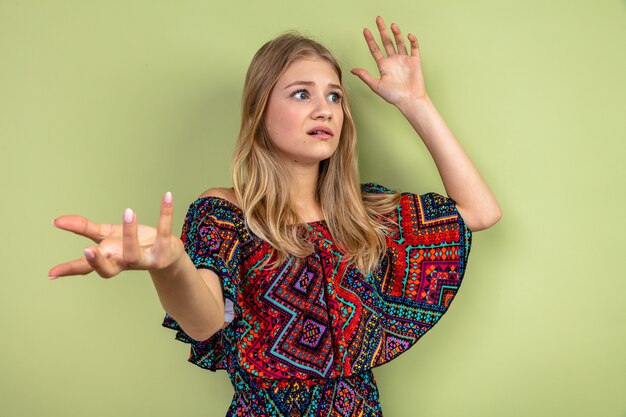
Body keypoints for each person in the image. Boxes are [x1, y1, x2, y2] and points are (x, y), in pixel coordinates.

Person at [49, 16, 501, 417]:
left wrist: (414, 102)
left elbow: (480, 211)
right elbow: (205, 321)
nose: (324, 108)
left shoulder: (364, 215)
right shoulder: (226, 213)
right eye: (301, 94)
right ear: (259, 111)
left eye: (334, 96)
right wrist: (170, 266)